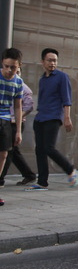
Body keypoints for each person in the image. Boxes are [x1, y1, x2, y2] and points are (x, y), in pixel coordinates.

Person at [26, 48, 78, 191]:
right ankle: (42, 182)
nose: (52, 63)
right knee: (40, 150)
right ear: (42, 62)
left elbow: (66, 99)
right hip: (40, 118)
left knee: (49, 148)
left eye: (55, 60)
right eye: (49, 60)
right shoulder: (42, 79)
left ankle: (70, 170)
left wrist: (67, 117)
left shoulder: (62, 77)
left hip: (54, 117)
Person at [3, 67, 36, 186]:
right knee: (13, 152)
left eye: (17, 72)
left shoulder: (23, 88)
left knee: (7, 151)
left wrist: (16, 117)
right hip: (5, 122)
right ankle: (29, 174)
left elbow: (28, 107)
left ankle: (1, 178)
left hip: (15, 123)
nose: (14, 74)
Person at [0, 48, 24, 197]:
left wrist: (19, 131)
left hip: (5, 120)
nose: (9, 70)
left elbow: (18, 106)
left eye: (13, 67)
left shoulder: (18, 82)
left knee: (3, 154)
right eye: (6, 66)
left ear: (19, 66)